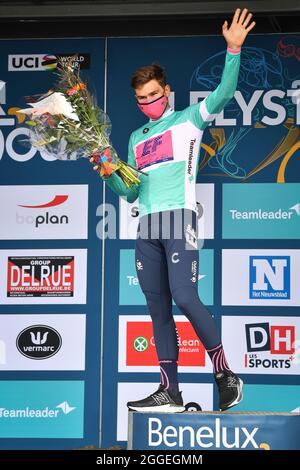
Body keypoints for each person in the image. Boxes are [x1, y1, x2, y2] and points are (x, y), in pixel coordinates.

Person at [91, 8, 255, 412]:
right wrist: (107, 170)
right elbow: (129, 193)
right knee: (157, 308)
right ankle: (171, 390)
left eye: (153, 95)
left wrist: (233, 49)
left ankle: (224, 373)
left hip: (179, 218)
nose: (148, 102)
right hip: (145, 227)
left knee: (185, 295)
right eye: (141, 99)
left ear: (167, 92)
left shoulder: (189, 120)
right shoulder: (134, 138)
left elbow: (224, 90)